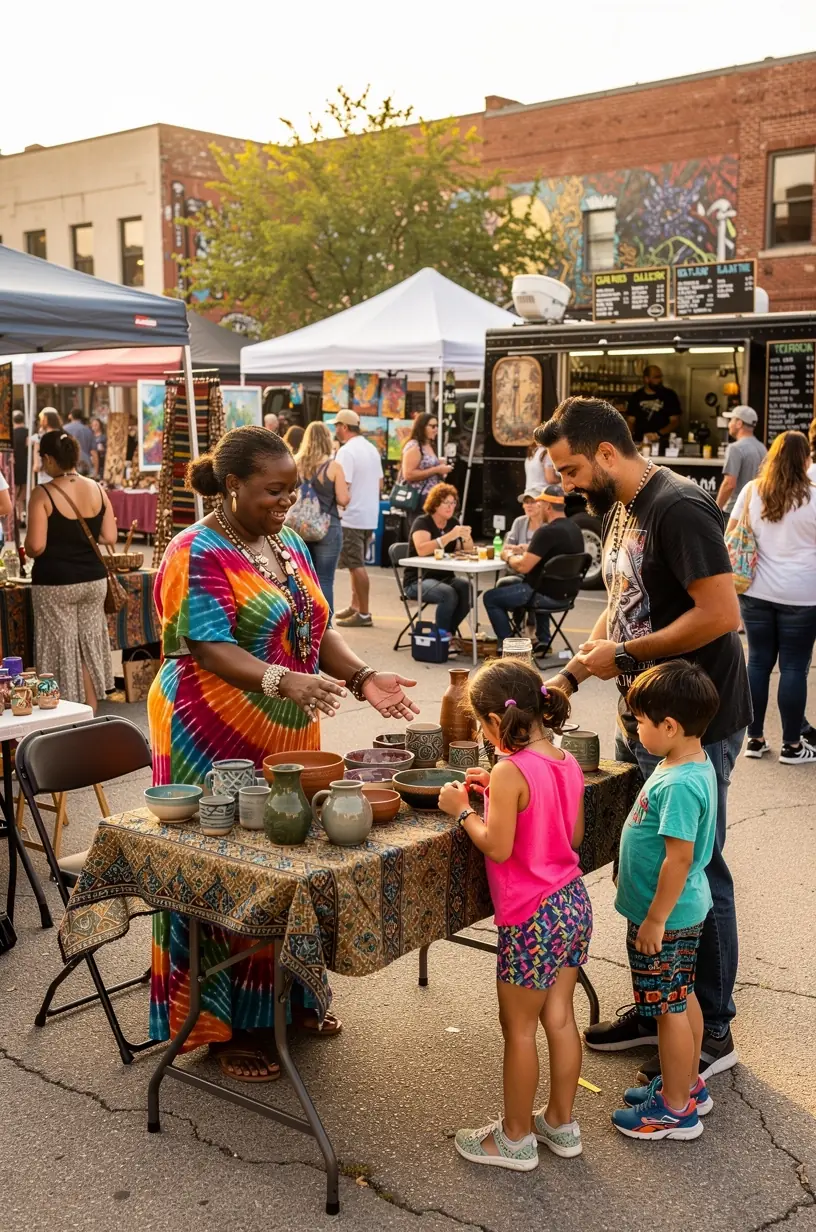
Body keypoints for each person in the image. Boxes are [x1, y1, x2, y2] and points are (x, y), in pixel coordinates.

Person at [147, 425, 419, 1080]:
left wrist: (362, 678)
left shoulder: (289, 544)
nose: (286, 502)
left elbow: (312, 630)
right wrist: (281, 679)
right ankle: (227, 1023)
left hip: (288, 725)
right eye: (273, 491)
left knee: (290, 863)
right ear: (233, 485)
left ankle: (290, 999)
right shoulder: (196, 549)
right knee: (234, 865)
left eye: (292, 489)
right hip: (209, 725)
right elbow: (207, 644)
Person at [536, 396, 750, 1087]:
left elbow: (721, 614)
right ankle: (658, 1007)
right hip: (648, 722)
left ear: (605, 453)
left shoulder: (678, 508)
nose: (565, 485)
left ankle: (711, 1030)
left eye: (569, 469)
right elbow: (621, 603)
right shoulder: (623, 509)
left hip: (697, 722)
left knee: (695, 870)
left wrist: (626, 656)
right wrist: (570, 671)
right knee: (653, 861)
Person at [437, 659, 591, 1171]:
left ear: (496, 722)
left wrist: (463, 809)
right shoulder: (565, 762)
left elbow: (497, 847)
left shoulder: (509, 770)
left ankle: (515, 1138)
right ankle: (561, 1124)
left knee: (520, 1030)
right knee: (560, 1017)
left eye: (482, 725)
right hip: (571, 904)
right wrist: (499, 793)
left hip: (531, 917)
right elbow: (569, 838)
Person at [610, 661, 719, 1141]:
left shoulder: (676, 783)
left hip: (666, 917)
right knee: (683, 995)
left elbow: (679, 859)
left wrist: (654, 920)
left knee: (669, 1008)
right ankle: (687, 1085)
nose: (635, 730)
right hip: (682, 912)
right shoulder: (689, 762)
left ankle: (674, 1111)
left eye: (640, 722)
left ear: (670, 726)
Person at [727, 430, 816, 764]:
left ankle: (755, 738)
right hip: (803, 596)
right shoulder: (814, 497)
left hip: (756, 592)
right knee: (794, 667)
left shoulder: (752, 491)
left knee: (758, 662)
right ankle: (792, 746)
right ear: (805, 460)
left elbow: (731, 533)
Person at [25, 430, 117, 708]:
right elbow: (109, 537)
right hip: (93, 581)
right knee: (87, 647)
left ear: (50, 459)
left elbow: (36, 546)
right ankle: (88, 713)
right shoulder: (97, 489)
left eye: (42, 458)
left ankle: (64, 717)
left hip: (56, 583)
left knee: (60, 649)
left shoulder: (42, 494)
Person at [483, 485, 584, 651]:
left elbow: (523, 566)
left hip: (542, 595)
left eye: (540, 504)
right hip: (567, 594)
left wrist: (507, 556)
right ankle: (544, 640)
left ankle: (510, 647)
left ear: (548, 507)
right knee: (506, 583)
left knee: (491, 598)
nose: (537, 507)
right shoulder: (575, 529)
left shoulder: (546, 532)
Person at [403, 484, 473, 641]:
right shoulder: (422, 522)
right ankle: (441, 637)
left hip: (445, 576)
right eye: (446, 503)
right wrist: (449, 536)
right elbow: (422, 549)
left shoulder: (452, 522)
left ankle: (447, 633)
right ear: (435, 504)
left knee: (467, 589)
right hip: (418, 579)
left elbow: (467, 550)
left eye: (453, 503)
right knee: (448, 594)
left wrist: (466, 536)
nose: (450, 507)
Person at [333, 409, 383, 628]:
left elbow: (344, 485)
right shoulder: (371, 448)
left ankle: (363, 612)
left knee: (356, 564)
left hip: (351, 515)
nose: (335, 430)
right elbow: (380, 484)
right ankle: (355, 606)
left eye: (336, 426)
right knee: (356, 563)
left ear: (344, 427)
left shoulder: (346, 451)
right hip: (369, 514)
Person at [294, 420, 349, 614]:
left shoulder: (296, 464)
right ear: (327, 440)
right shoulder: (333, 467)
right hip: (328, 528)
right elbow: (343, 500)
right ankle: (326, 629)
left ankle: (304, 624)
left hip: (299, 529)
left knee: (303, 579)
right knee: (324, 579)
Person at [716, 406, 766, 513]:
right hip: (756, 510)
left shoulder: (735, 448)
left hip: (735, 511)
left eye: (731, 420)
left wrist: (716, 509)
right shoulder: (762, 448)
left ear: (739, 423)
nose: (729, 424)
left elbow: (729, 484)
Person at [399, 412, 451, 500]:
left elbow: (424, 463)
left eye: (437, 426)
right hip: (418, 497)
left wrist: (438, 462)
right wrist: (437, 469)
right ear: (422, 427)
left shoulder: (427, 445)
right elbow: (408, 474)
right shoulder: (414, 446)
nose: (436, 429)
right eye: (433, 426)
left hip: (431, 497)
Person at [626, 366, 681, 447]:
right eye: (656, 377)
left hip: (664, 443)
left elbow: (675, 421)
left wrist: (657, 434)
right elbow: (630, 421)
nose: (660, 380)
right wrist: (628, 439)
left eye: (660, 377)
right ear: (646, 379)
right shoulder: (636, 396)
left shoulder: (669, 395)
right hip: (640, 442)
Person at [501, 487, 546, 556]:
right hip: (518, 563)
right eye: (526, 502)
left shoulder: (549, 524)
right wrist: (514, 549)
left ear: (542, 504)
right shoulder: (519, 521)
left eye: (533, 501)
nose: (528, 505)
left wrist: (526, 549)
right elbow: (506, 547)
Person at [64, 409, 99, 477]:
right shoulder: (88, 430)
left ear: (70, 416)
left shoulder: (64, 429)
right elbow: (94, 453)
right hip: (86, 467)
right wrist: (96, 472)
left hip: (69, 468)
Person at [33, 408, 62, 485]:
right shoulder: (64, 435)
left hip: (45, 476)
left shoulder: (40, 437)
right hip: (61, 476)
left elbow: (37, 465)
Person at [12, 410, 28, 525]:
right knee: (25, 490)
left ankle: (17, 514)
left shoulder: (12, 434)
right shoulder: (28, 432)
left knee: (15, 490)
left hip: (15, 464)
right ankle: (22, 513)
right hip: (26, 464)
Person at [90, 415, 107, 480]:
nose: (94, 427)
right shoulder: (90, 436)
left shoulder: (104, 437)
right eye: (93, 425)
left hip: (102, 460)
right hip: (92, 461)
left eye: (96, 424)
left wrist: (103, 449)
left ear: (100, 425)